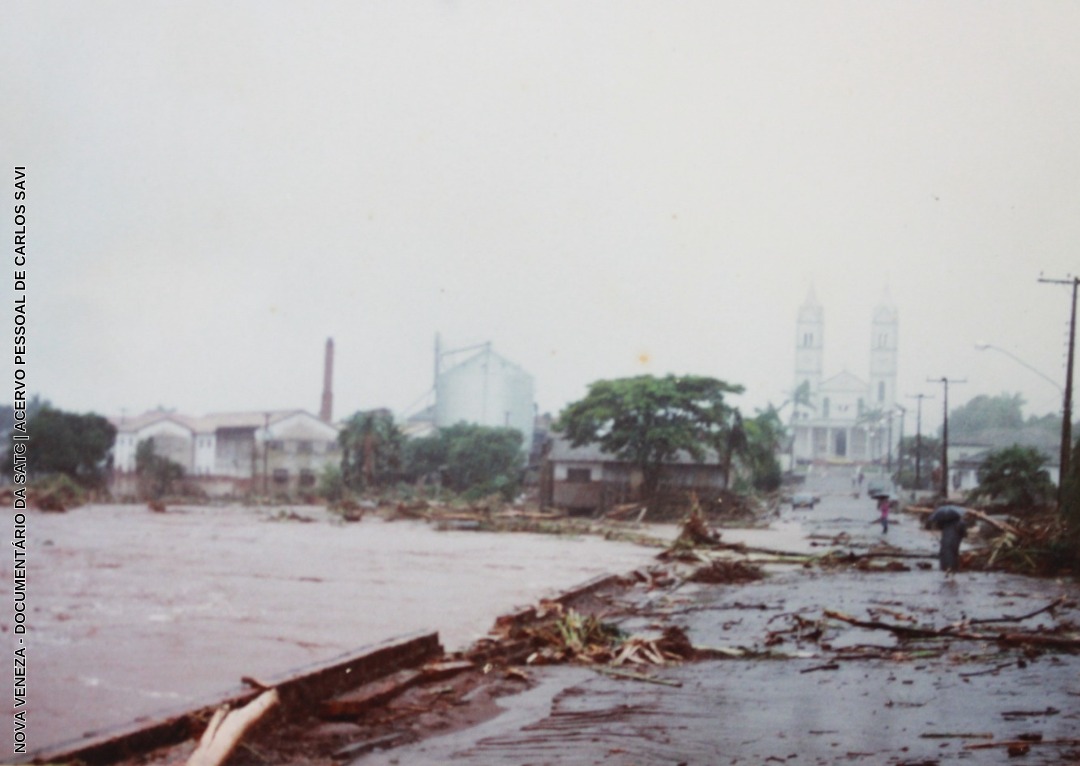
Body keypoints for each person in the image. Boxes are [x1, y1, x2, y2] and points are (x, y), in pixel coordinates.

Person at [925, 505, 968, 573]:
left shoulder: (945, 523)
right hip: (955, 541)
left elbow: (939, 527)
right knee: (954, 553)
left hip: (945, 540)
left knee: (944, 553)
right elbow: (964, 533)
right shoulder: (961, 523)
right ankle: (953, 568)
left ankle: (944, 568)